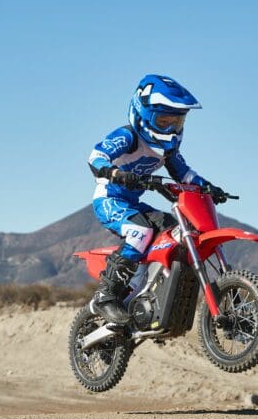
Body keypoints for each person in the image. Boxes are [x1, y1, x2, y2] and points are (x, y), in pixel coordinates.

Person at [88, 74, 225, 324]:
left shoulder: (168, 149)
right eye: (164, 120)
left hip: (134, 204)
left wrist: (209, 187)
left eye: (177, 120)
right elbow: (97, 155)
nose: (171, 127)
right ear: (144, 113)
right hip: (110, 200)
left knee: (176, 235)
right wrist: (113, 172)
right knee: (139, 231)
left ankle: (154, 295)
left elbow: (184, 173)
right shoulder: (129, 137)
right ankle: (105, 296)